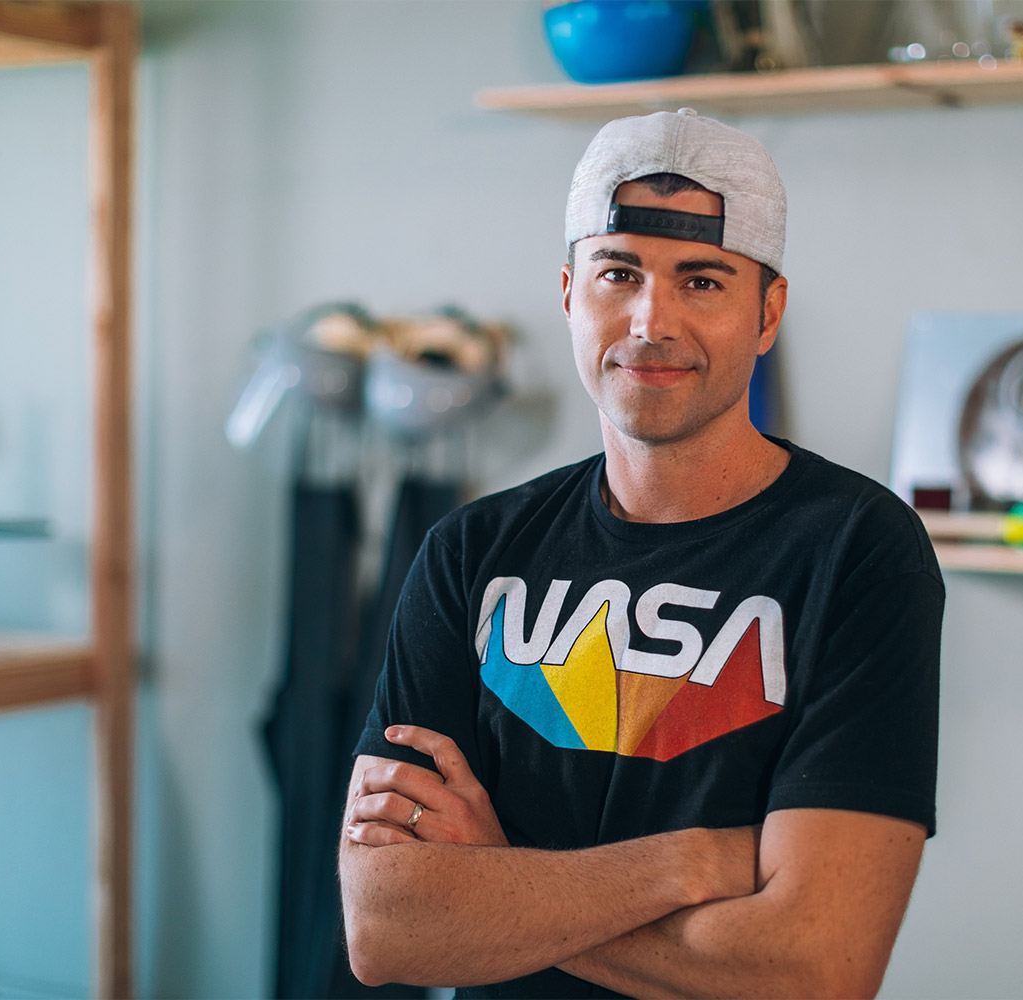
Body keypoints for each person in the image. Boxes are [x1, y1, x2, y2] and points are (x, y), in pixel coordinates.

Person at [338, 108, 943, 999]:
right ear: (570, 295)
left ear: (768, 312)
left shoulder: (858, 551)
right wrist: (692, 862)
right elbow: (386, 929)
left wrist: (498, 881)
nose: (651, 321)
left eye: (703, 281)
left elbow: (817, 967)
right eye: (619, 272)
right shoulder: (469, 554)